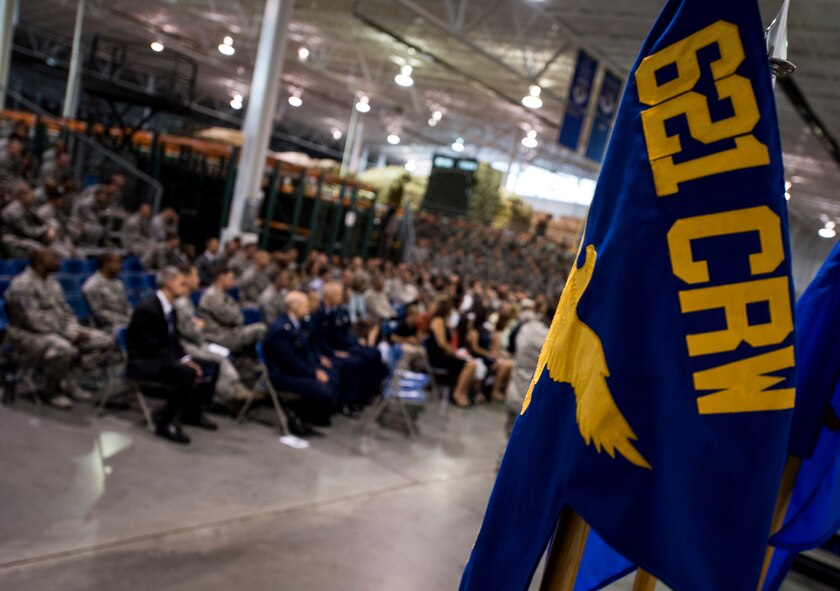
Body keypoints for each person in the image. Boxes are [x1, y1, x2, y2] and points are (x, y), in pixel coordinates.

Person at [4, 248, 117, 409]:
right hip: (26, 336)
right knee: (63, 348)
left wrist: (75, 329)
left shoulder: (52, 283)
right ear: (39, 261)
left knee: (105, 340)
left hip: (58, 330)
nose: (59, 260)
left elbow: (66, 312)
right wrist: (70, 335)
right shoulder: (22, 286)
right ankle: (50, 390)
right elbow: (34, 322)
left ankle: (70, 379)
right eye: (53, 257)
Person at [125, 266, 219, 444]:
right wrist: (183, 364)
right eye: (181, 283)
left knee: (212, 365)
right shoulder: (148, 309)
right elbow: (150, 347)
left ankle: (192, 412)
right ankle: (166, 423)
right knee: (186, 372)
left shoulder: (170, 309)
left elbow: (174, 341)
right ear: (168, 283)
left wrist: (186, 359)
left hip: (161, 357)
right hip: (143, 361)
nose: (185, 286)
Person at [174, 265, 257, 409]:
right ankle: (228, 396)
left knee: (228, 355)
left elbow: (238, 317)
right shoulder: (184, 302)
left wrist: (196, 326)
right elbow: (188, 332)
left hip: (201, 340)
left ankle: (235, 390)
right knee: (219, 358)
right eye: (195, 276)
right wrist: (197, 327)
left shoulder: (188, 300)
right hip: (193, 343)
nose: (198, 279)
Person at [262, 290, 338, 430]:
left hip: (294, 371)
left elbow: (303, 354)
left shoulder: (295, 324)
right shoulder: (282, 329)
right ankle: (299, 417)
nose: (308, 308)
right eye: (305, 305)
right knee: (323, 390)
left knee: (332, 377)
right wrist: (313, 373)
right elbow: (289, 362)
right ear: (294, 307)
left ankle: (313, 417)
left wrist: (315, 369)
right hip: (282, 375)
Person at [505, 301, 549, 435]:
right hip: (531, 384)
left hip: (518, 379)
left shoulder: (526, 327)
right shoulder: (547, 337)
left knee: (513, 427)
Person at [199, 266, 266, 353]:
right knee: (260, 329)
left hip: (229, 333)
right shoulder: (212, 295)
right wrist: (238, 316)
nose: (233, 282)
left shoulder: (222, 294)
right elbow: (231, 318)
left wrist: (237, 316)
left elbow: (237, 315)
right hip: (219, 337)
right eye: (231, 278)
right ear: (221, 278)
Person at [426, 297, 476, 408]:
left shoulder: (444, 321)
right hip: (437, 356)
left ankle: (463, 393)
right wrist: (454, 352)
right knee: (470, 364)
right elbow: (442, 343)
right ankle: (457, 393)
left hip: (443, 354)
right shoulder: (437, 321)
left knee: (472, 364)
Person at [465, 306, 513, 402]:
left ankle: (499, 390)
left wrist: (491, 353)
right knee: (501, 365)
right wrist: (488, 353)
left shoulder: (485, 329)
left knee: (506, 365)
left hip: (486, 355)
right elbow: (475, 348)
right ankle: (491, 391)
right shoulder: (475, 331)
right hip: (479, 356)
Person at [1, 181, 58, 257]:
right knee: (39, 248)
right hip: (11, 239)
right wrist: (46, 229)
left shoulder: (28, 206)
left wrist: (51, 228)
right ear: (22, 197)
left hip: (22, 237)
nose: (33, 196)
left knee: (55, 246)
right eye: (30, 194)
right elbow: (28, 232)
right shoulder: (15, 211)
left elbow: (41, 218)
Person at [82, 252, 132, 334]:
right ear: (106, 264)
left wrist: (132, 319)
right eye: (117, 262)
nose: (120, 266)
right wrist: (125, 320)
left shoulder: (118, 283)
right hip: (107, 327)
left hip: (125, 322)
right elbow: (100, 314)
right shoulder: (92, 285)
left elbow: (127, 305)